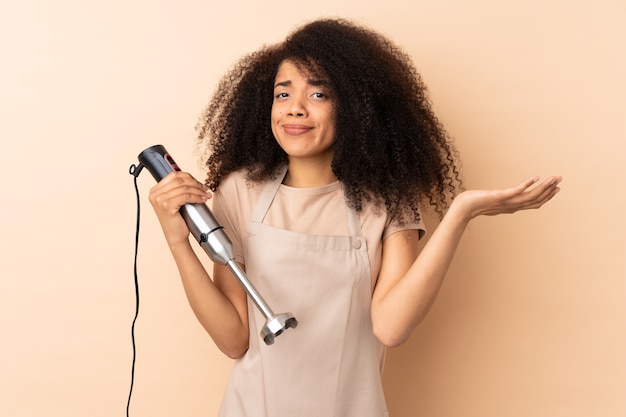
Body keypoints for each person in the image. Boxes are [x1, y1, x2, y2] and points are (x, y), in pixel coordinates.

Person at [149, 18, 562, 417]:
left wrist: (460, 212)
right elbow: (234, 339)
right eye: (282, 94)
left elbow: (391, 327)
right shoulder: (240, 191)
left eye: (318, 95)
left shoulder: (388, 200)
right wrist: (178, 242)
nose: (294, 109)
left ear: (356, 107)